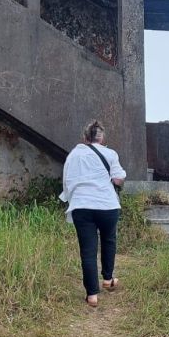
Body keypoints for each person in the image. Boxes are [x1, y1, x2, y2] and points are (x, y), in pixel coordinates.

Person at [59, 120, 126, 308]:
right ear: (102, 137)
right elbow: (119, 179)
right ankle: (108, 278)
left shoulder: (74, 155)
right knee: (108, 240)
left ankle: (92, 295)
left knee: (88, 251)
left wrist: (72, 198)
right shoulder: (110, 153)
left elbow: (67, 180)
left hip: (82, 206)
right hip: (107, 205)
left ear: (84, 137)